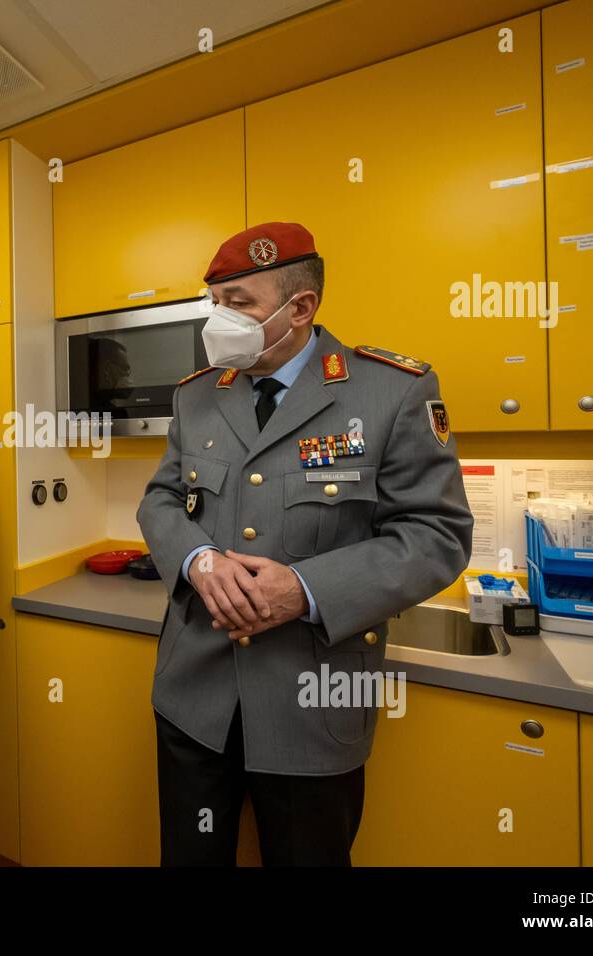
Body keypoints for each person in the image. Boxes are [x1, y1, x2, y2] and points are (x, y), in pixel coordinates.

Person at [137, 222, 474, 865]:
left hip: (313, 705)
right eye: (216, 303)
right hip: (193, 698)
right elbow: (161, 499)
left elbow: (435, 535)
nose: (220, 320)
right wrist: (197, 559)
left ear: (301, 308)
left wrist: (304, 588)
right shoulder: (199, 394)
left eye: (240, 303)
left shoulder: (391, 391)